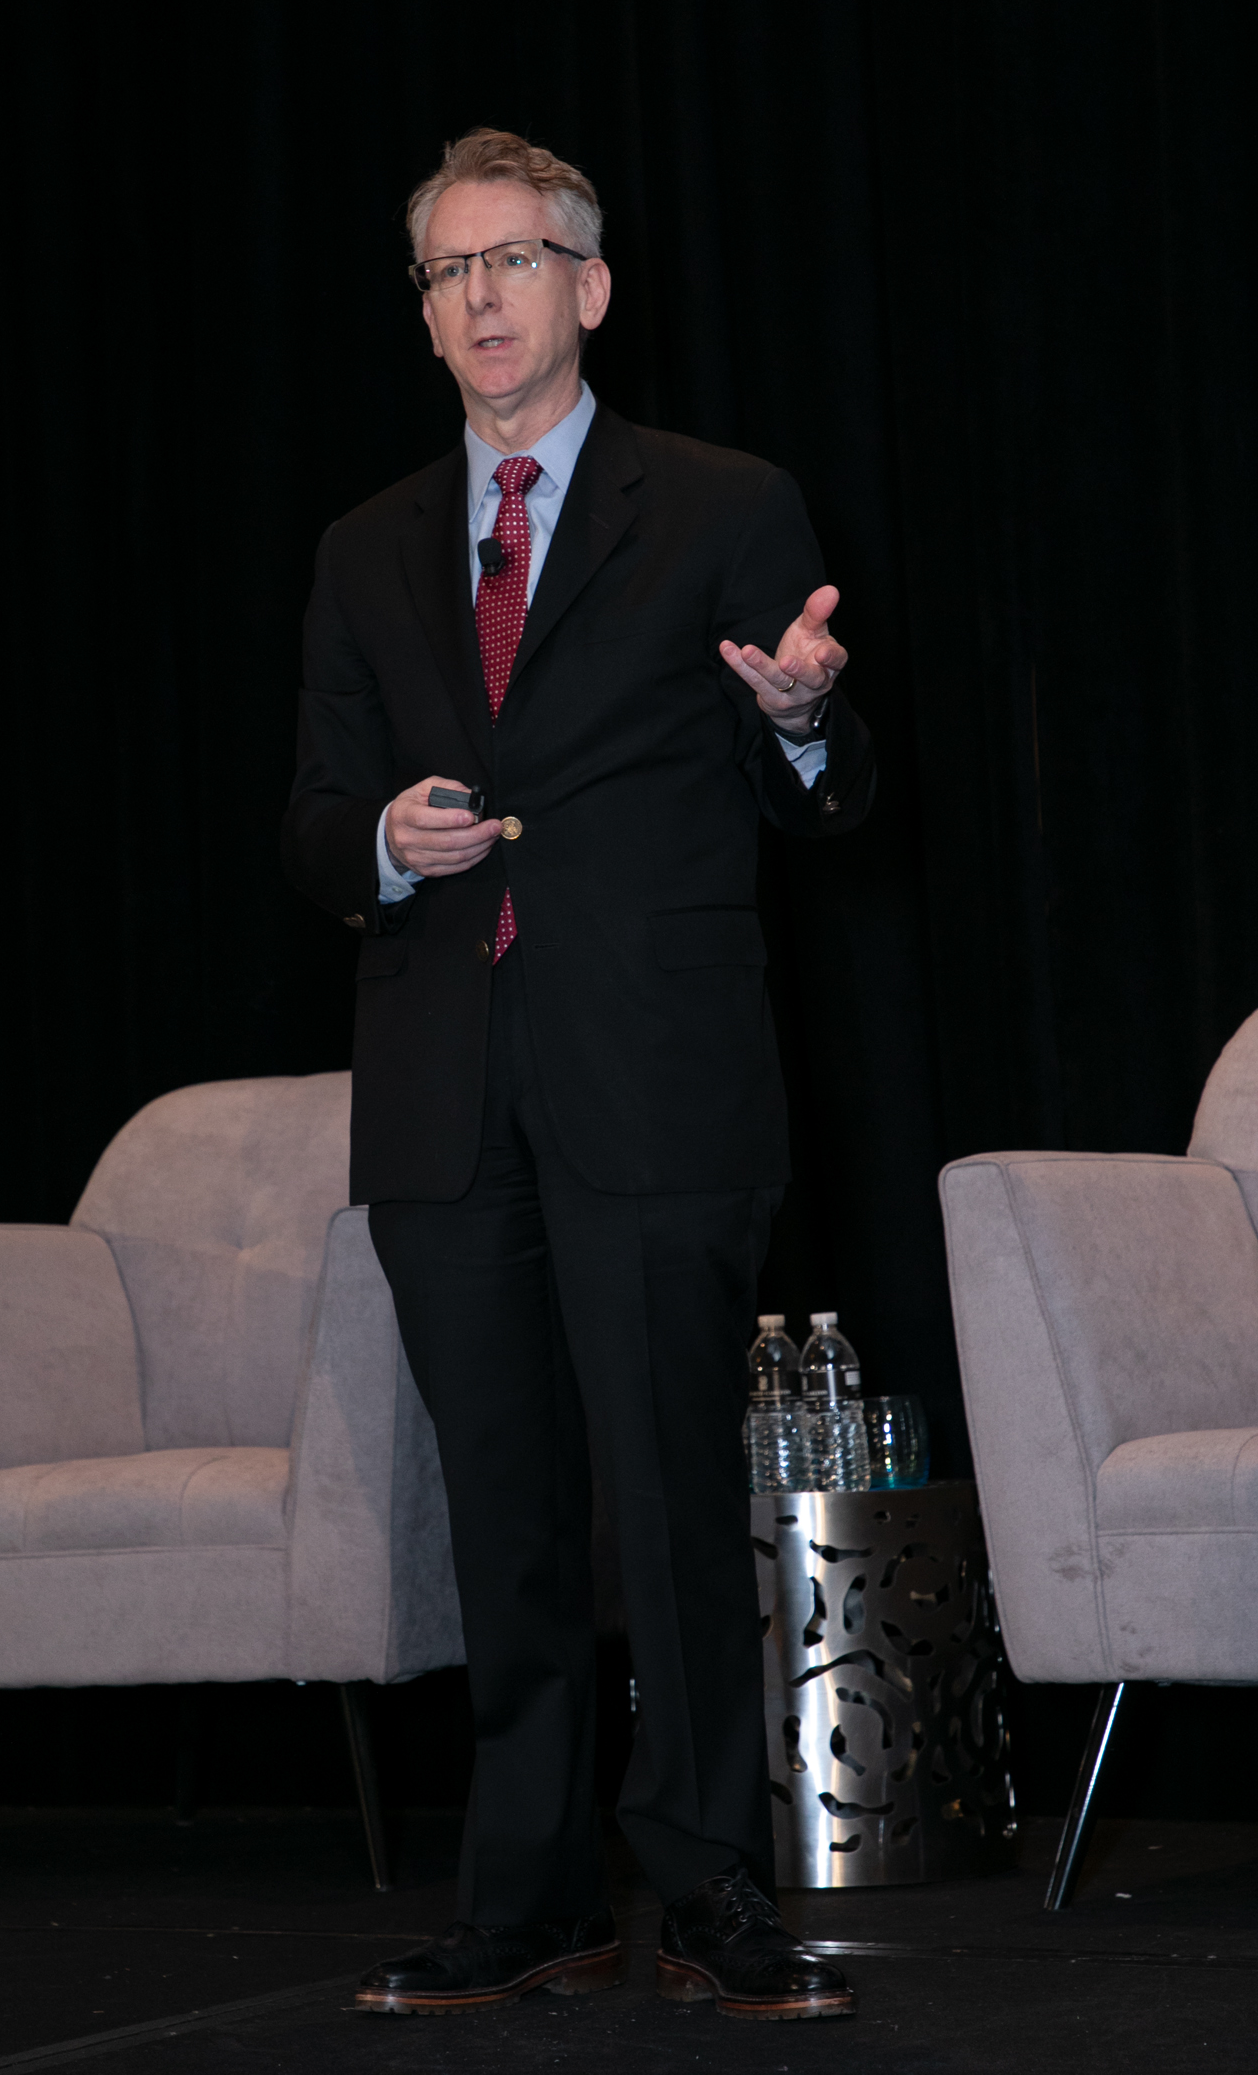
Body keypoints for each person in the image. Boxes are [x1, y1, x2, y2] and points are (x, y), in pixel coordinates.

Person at [281, 129, 874, 2021]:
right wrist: (383, 842)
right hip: (445, 1090)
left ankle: (704, 1882)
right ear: (425, 312)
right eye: (447, 271)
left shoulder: (720, 504)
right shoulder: (367, 547)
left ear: (590, 287)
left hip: (655, 1076)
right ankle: (530, 1896)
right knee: (505, 1508)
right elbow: (312, 819)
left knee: (671, 1495)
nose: (481, 298)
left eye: (515, 260)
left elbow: (835, 794)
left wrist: (803, 722)